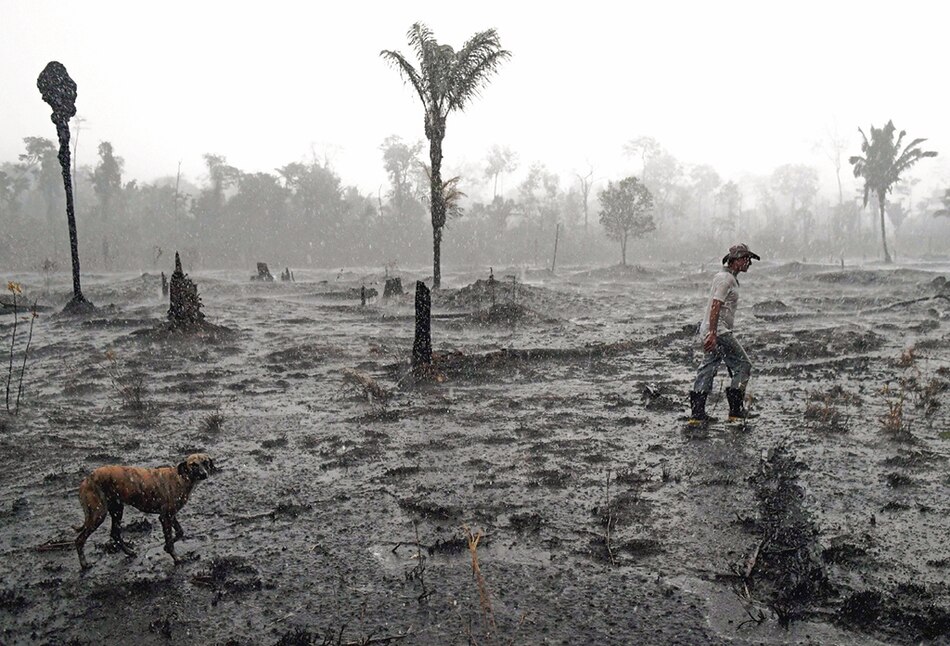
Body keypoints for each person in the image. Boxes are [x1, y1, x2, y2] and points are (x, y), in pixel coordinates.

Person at [688, 243, 761, 425]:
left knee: (709, 366)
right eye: (746, 259)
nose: (749, 263)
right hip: (719, 331)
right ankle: (735, 411)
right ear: (735, 260)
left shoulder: (725, 277)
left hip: (712, 329)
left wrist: (710, 332)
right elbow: (716, 305)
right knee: (743, 365)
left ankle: (697, 414)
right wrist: (713, 333)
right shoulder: (726, 280)